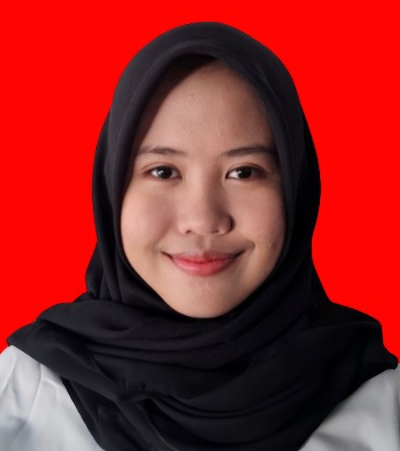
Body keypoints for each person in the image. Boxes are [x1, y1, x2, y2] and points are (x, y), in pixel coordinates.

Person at [0, 22, 398, 451]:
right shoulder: (23, 393)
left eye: (243, 172)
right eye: (163, 171)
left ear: (295, 191)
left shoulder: (382, 404)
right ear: (112, 190)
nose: (203, 219)